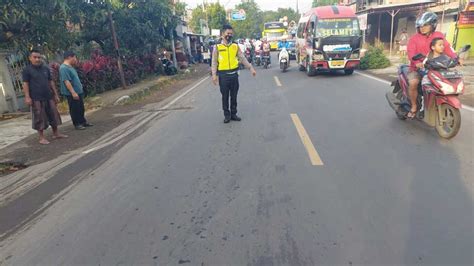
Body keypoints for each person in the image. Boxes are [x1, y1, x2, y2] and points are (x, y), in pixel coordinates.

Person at [406, 12, 458, 119]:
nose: (422, 28)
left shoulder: (438, 35)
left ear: (433, 25)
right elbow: (411, 53)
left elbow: (447, 48)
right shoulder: (414, 39)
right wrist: (417, 63)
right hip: (418, 68)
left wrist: (456, 58)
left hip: (436, 67)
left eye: (425, 25)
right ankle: (414, 106)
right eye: (421, 26)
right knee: (413, 82)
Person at [211, 24, 257, 123]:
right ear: (223, 34)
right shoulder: (217, 47)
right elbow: (214, 62)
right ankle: (227, 115)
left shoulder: (235, 46)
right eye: (228, 33)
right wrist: (214, 75)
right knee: (225, 96)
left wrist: (250, 68)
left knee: (234, 96)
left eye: (231, 34)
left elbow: (242, 58)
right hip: (223, 76)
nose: (229, 35)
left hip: (234, 75)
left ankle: (233, 114)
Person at [22, 49, 67, 145]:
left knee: (54, 114)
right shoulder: (27, 70)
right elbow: (25, 84)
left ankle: (56, 133)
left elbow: (51, 82)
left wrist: (55, 94)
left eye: (39, 57)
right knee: (40, 117)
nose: (37, 59)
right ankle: (41, 138)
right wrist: (27, 97)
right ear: (30, 58)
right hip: (36, 98)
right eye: (35, 57)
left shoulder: (45, 68)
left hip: (49, 96)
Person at [60, 51, 93, 130]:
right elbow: (66, 81)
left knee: (80, 107)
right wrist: (73, 92)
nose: (76, 59)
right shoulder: (63, 68)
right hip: (72, 92)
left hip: (78, 91)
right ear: (69, 57)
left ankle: (83, 121)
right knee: (74, 108)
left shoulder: (70, 67)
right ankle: (77, 123)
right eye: (74, 57)